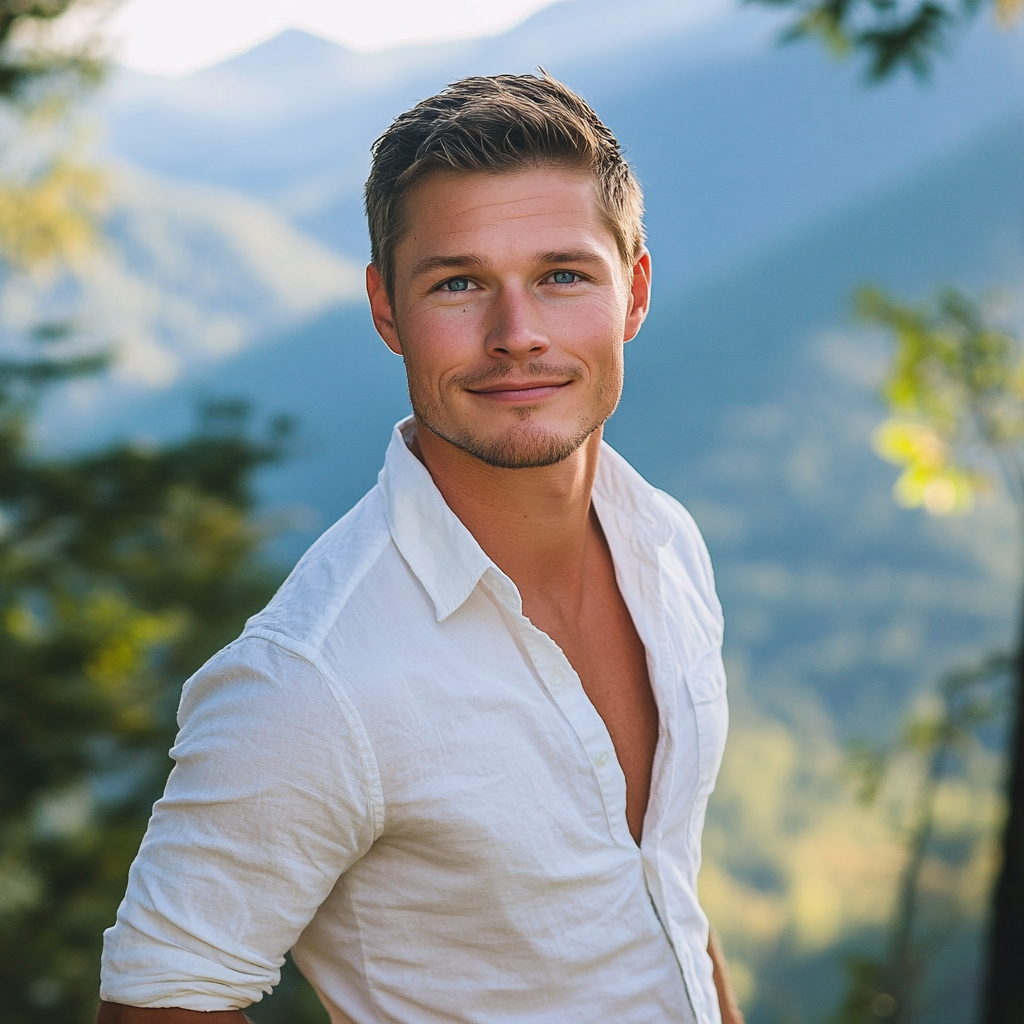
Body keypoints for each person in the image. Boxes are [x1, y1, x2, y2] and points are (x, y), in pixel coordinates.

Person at [97, 72, 743, 1024]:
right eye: (459, 283)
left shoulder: (667, 544)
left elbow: (667, 898)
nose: (515, 336)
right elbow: (163, 1000)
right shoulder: (311, 683)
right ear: (387, 309)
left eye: (563, 275)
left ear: (633, 291)